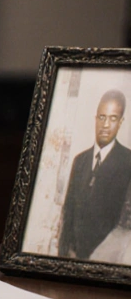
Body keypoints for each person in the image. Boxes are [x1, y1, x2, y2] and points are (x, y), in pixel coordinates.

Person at [59, 90, 131, 261]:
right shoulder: (80, 160)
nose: (106, 125)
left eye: (113, 118)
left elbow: (125, 222)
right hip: (72, 259)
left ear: (121, 122)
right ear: (95, 118)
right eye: (102, 117)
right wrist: (63, 255)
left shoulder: (128, 161)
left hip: (106, 259)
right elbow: (68, 211)